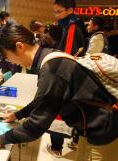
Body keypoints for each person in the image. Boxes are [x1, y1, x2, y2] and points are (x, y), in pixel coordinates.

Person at [0, 23, 118, 161]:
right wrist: (19, 114)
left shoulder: (51, 70)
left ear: (20, 47)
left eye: (7, 57)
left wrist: (2, 140)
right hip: (93, 128)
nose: (11, 62)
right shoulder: (49, 55)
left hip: (103, 130)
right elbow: (45, 100)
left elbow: (36, 126)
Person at [49, 0, 88, 156]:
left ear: (70, 10)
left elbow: (65, 58)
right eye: (55, 12)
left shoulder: (71, 28)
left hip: (68, 79)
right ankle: (76, 141)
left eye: (59, 12)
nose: (56, 16)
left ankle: (56, 148)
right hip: (80, 77)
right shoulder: (78, 25)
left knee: (60, 112)